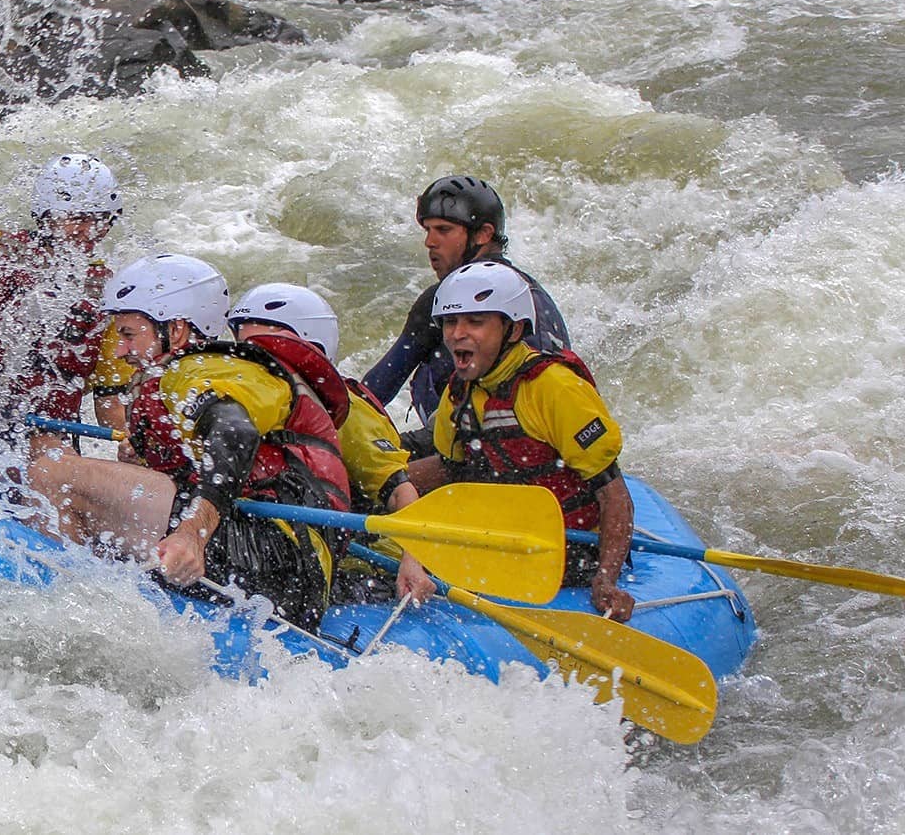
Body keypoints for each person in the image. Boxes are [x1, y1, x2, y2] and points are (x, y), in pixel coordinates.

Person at [26, 254, 349, 630]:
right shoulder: (191, 374)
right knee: (54, 455)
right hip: (271, 555)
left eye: (130, 334)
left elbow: (234, 433)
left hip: (279, 559)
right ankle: (86, 604)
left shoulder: (198, 371)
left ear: (176, 330)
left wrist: (193, 533)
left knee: (54, 473)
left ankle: (63, 613)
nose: (118, 350)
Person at [405, 262, 636, 621]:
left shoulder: (554, 389)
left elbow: (613, 493)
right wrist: (383, 484)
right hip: (504, 539)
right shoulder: (459, 392)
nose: (457, 335)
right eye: (451, 323)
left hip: (570, 549)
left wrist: (606, 579)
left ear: (512, 330)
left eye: (475, 322)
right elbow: (449, 471)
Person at [228, 282, 434, 603]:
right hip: (290, 537)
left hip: (367, 558)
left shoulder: (345, 411)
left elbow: (400, 492)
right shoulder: (251, 402)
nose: (247, 363)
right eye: (243, 349)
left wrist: (413, 560)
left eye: (261, 351)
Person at [361, 176, 571, 454]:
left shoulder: (489, 305)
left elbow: (369, 397)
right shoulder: (524, 293)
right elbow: (370, 396)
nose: (429, 242)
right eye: (427, 230)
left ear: (483, 234)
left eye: (443, 230)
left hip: (492, 450)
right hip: (478, 445)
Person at [0, 153, 130, 454]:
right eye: (75, 217)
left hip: (51, 438)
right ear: (46, 214)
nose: (87, 230)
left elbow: (109, 396)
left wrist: (132, 443)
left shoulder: (108, 291)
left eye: (98, 220)